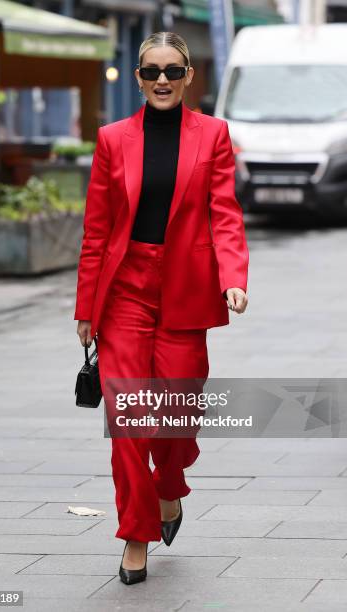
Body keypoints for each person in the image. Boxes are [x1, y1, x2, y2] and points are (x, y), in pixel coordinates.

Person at [74, 31, 249, 585]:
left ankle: (170, 488)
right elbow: (96, 230)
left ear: (189, 75)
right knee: (130, 422)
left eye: (173, 70)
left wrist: (233, 278)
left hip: (186, 288)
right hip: (124, 289)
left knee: (176, 417)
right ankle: (135, 534)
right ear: (139, 78)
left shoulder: (215, 134)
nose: (163, 80)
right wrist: (86, 306)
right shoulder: (111, 139)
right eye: (152, 71)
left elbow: (225, 211)